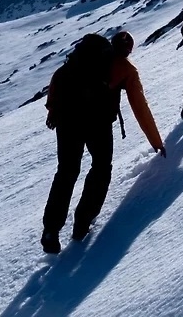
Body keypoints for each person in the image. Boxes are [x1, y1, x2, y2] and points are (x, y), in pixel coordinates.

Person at [41, 31, 165, 254]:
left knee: (66, 172)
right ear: (127, 50)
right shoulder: (125, 68)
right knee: (101, 168)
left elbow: (60, 76)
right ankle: (83, 223)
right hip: (98, 123)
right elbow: (140, 108)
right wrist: (156, 142)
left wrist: (53, 109)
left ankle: (51, 230)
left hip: (68, 121)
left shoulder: (81, 58)